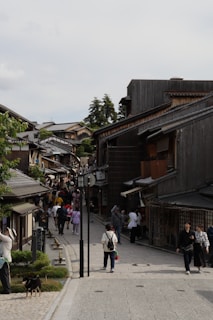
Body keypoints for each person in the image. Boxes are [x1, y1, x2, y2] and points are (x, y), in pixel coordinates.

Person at [0, 227, 15, 294]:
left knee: (4, 275)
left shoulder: (8, 239)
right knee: (3, 275)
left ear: (9, 233)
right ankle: (6, 289)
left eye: (6, 230)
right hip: (2, 259)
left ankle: (7, 290)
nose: (5, 231)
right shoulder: (5, 240)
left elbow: (0, 236)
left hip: (4, 259)